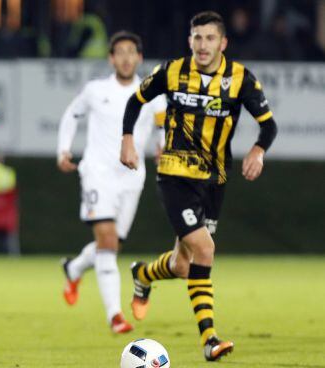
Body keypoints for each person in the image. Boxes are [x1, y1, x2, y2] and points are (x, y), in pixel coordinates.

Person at [119, 11, 278, 361]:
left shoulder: (240, 79)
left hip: (214, 181)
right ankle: (209, 339)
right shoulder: (173, 71)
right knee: (205, 251)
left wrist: (258, 150)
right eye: (197, 38)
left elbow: (268, 126)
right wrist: (128, 139)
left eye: (209, 38)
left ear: (223, 43)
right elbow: (136, 101)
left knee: (181, 265)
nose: (202, 45)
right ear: (189, 40)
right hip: (175, 174)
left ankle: (143, 274)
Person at [57, 31, 166, 334]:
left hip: (132, 178)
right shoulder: (95, 90)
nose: (126, 57)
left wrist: (163, 145)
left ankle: (74, 267)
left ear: (139, 58)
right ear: (111, 58)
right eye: (120, 52)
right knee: (107, 243)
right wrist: (63, 149)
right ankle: (115, 315)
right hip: (97, 174)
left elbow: (163, 126)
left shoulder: (153, 94)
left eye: (132, 52)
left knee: (112, 244)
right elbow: (71, 114)